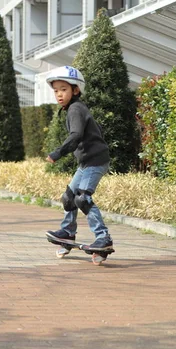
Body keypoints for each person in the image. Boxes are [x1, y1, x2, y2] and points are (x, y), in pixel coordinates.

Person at [45, 66, 113, 253]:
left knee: (83, 199)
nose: (59, 94)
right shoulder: (75, 109)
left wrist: (57, 153)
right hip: (86, 162)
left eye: (64, 89)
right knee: (69, 198)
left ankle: (103, 237)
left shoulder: (75, 108)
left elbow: (75, 136)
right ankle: (67, 232)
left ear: (75, 90)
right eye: (56, 90)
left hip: (95, 161)